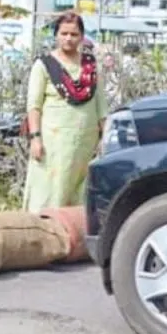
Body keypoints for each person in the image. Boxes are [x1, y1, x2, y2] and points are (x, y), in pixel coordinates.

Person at [23, 11, 108, 212]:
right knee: (50, 189)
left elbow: (101, 106)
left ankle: (75, 236)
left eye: (74, 34)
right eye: (64, 34)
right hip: (53, 143)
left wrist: (104, 138)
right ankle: (43, 233)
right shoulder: (44, 65)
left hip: (85, 143)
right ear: (56, 35)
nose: (68, 39)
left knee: (81, 192)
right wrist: (35, 138)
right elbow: (34, 105)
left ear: (81, 37)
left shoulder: (90, 65)